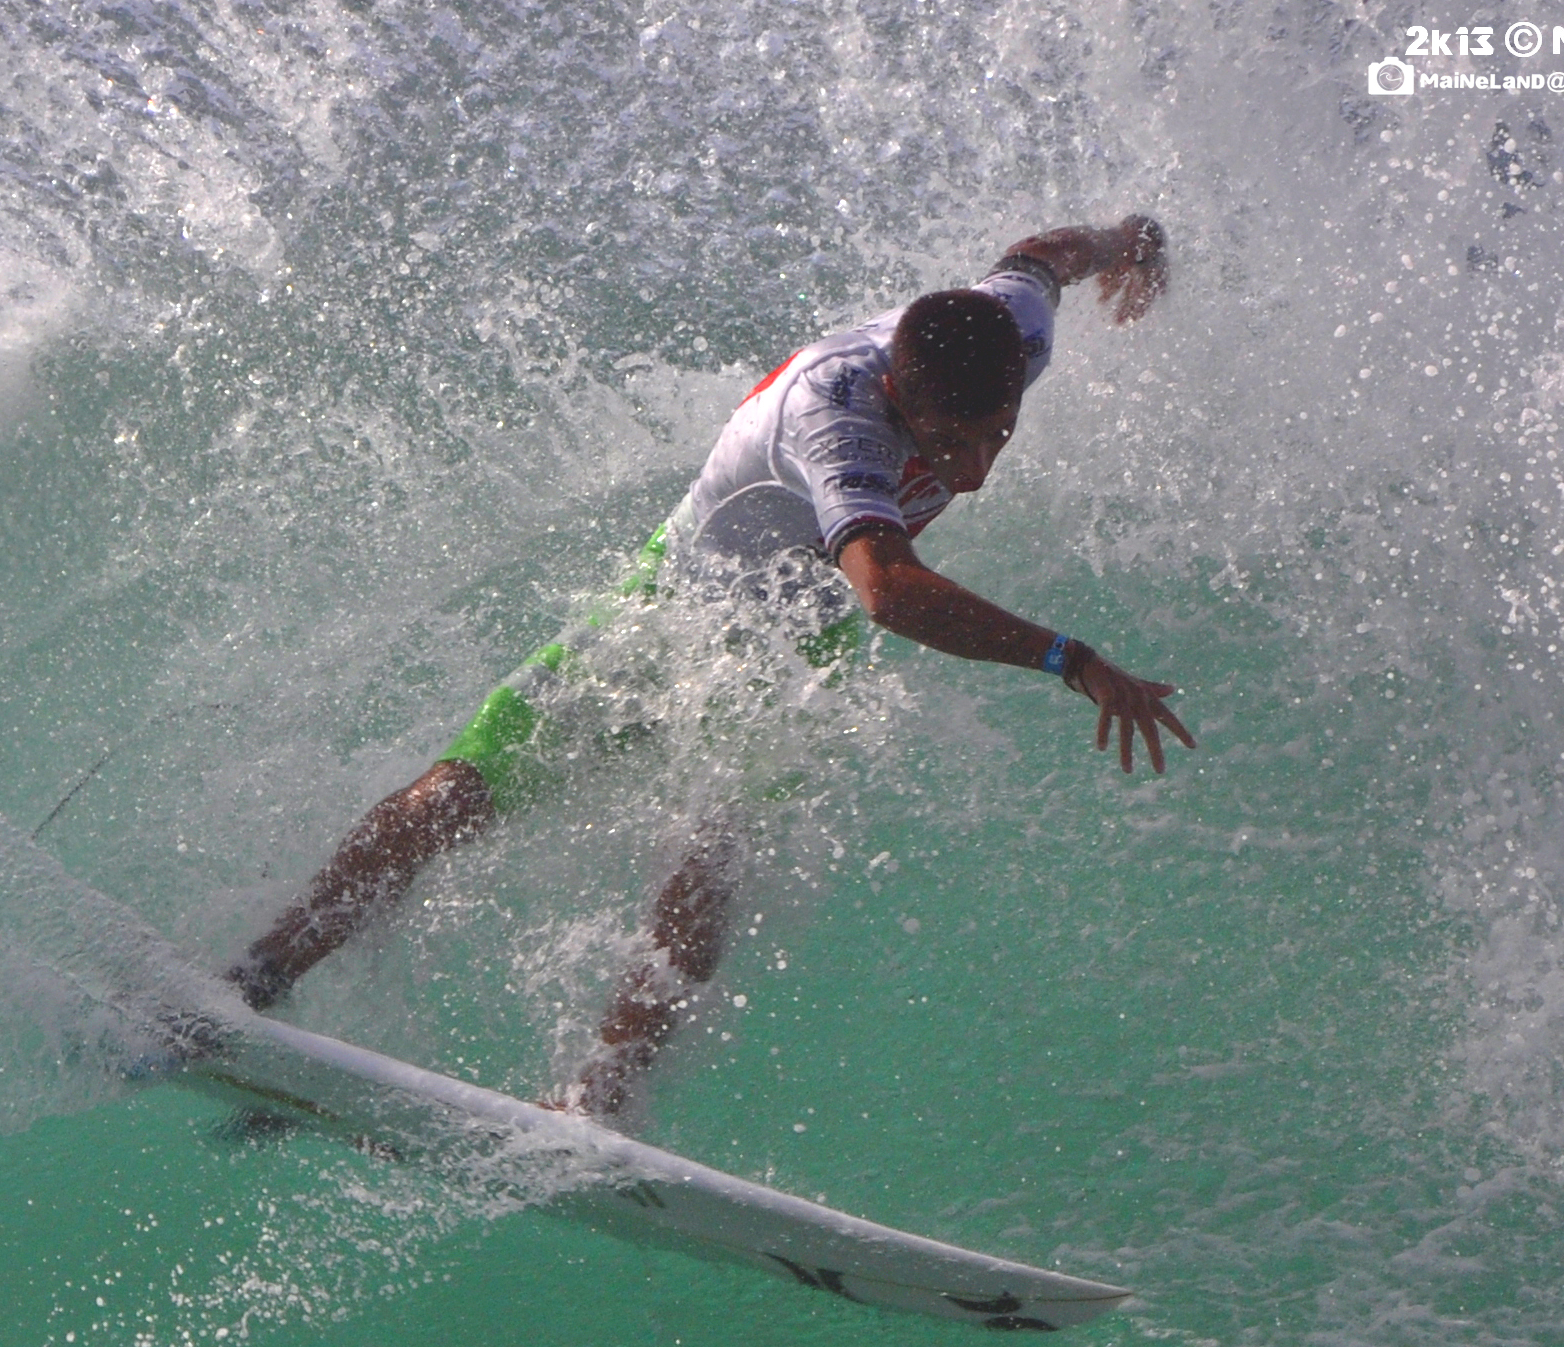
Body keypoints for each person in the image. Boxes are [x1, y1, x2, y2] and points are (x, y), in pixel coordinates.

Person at [225, 215, 1195, 1117]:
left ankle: (595, 1102)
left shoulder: (1011, 330)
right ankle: (259, 973)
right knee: (466, 790)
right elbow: (889, 590)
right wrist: (1069, 658)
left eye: (996, 437)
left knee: (711, 858)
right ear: (900, 397)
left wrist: (1128, 241)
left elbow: (1039, 257)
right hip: (678, 604)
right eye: (951, 444)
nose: (974, 471)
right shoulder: (837, 415)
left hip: (801, 632)